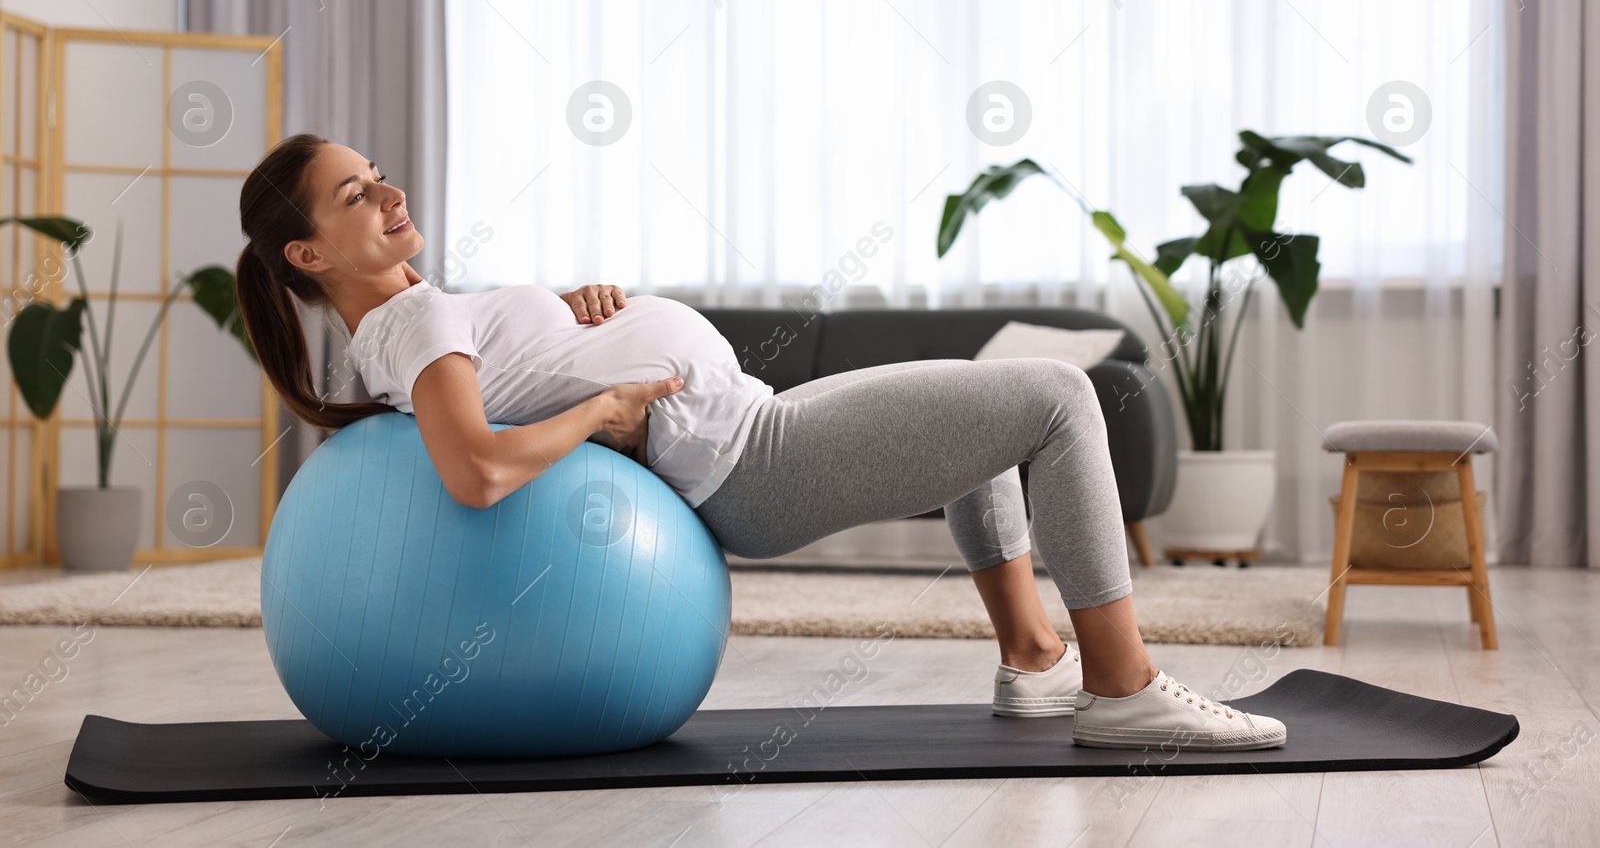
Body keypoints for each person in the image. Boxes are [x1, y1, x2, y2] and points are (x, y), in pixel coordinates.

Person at [235, 134, 1286, 751]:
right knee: (1057, 395)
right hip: (749, 454)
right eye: (355, 193)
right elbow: (477, 468)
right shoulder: (409, 326)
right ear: (308, 249)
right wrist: (603, 411)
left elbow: (492, 376)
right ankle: (1121, 687)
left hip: (741, 424)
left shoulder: (414, 316)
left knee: (984, 407)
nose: (389, 193)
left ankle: (1032, 657)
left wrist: (561, 316)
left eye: (377, 173)